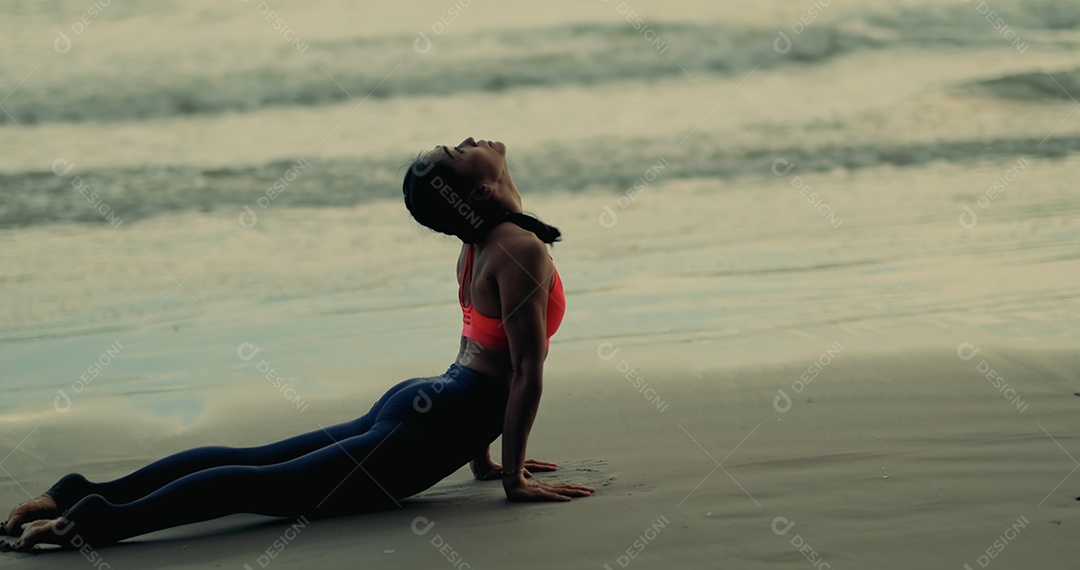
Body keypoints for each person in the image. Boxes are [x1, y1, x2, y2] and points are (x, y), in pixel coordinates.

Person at [2, 137, 593, 551]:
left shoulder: (483, 243)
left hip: (432, 400)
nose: (467, 139)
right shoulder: (518, 248)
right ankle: (99, 521)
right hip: (438, 417)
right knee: (265, 484)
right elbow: (522, 372)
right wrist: (512, 476)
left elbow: (479, 353)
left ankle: (80, 495)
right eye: (457, 152)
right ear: (484, 191)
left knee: (253, 460)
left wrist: (484, 456)